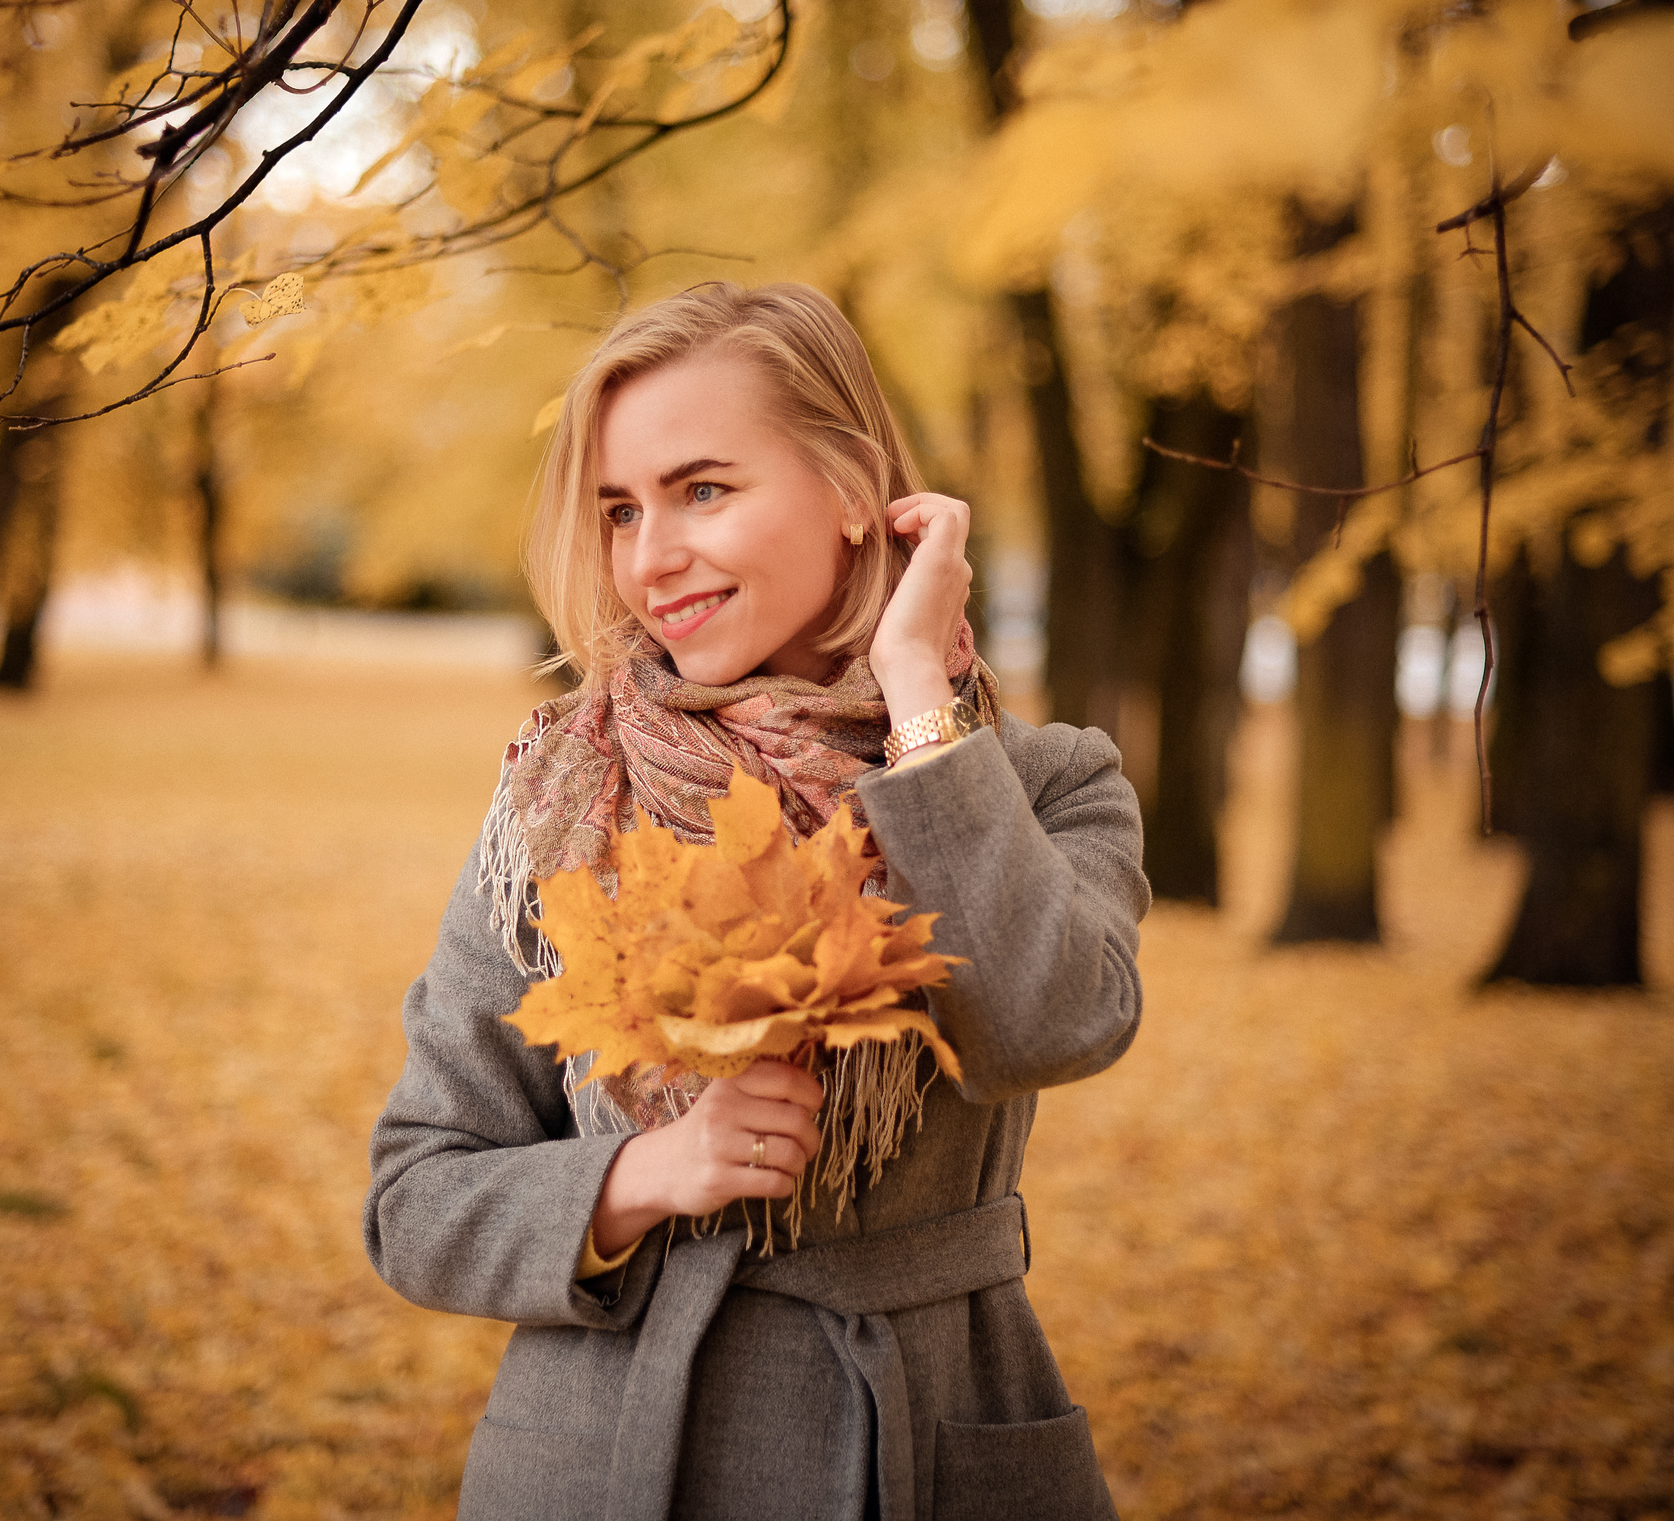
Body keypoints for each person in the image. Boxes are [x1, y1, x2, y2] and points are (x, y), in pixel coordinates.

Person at [365, 281, 1147, 1521]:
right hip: (610, 1456)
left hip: (926, 1441)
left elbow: (1049, 1023)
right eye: (621, 509)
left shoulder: (1040, 781)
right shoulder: (561, 800)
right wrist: (645, 1172)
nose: (650, 557)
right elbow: (415, 1197)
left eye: (703, 489)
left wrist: (916, 697)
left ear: (851, 490)